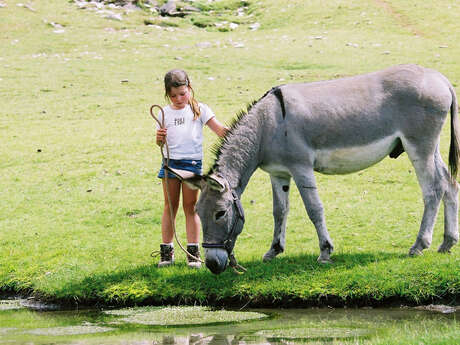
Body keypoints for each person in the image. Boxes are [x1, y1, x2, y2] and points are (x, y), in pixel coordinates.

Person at [155, 69, 228, 268]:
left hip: (191, 165)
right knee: (170, 207)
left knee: (190, 208)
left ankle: (192, 252)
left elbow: (220, 130)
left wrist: (239, 134)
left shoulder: (200, 110)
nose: (179, 98)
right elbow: (160, 143)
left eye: (182, 93)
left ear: (189, 88)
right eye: (173, 95)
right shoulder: (164, 112)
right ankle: (166, 252)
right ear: (167, 94)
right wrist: (159, 140)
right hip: (170, 165)